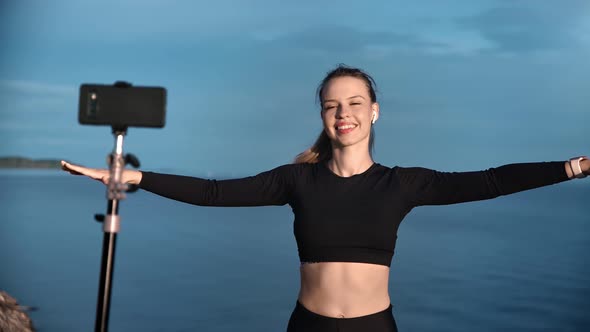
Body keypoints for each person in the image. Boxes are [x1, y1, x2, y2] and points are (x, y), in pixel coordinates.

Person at [61, 64, 589, 332]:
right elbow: (215, 193)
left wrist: (573, 167)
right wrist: (137, 178)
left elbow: (491, 180)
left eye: (355, 102)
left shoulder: (402, 184)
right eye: (333, 105)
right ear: (323, 116)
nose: (344, 113)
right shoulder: (298, 181)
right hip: (306, 324)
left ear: (375, 112)